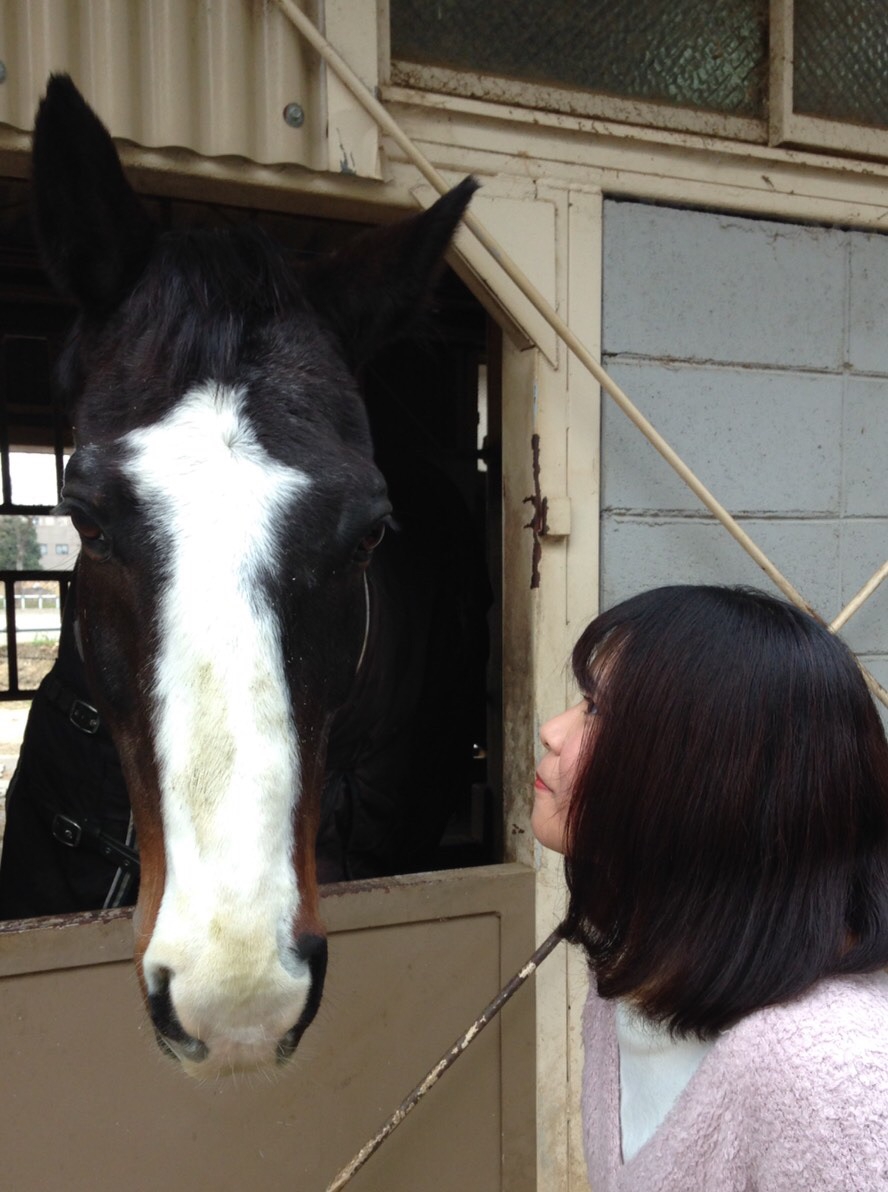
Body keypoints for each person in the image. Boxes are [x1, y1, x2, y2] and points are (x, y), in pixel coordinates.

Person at [534, 585, 888, 1190]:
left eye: (595, 709)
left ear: (707, 779)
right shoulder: (630, 977)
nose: (550, 730)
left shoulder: (829, 1070)